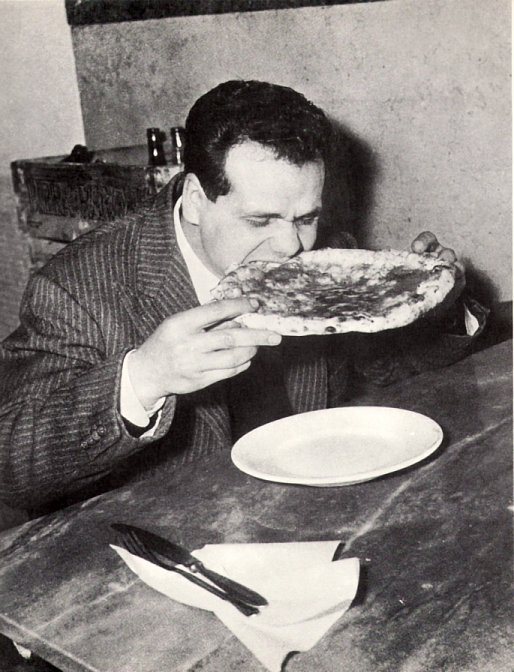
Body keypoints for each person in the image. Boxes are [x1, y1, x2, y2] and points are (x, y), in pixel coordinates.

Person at [0, 80, 486, 516]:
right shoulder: (78, 284)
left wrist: (442, 306)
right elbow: (11, 466)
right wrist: (144, 378)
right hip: (163, 540)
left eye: (305, 217)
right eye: (260, 221)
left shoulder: (322, 266)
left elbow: (386, 367)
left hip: (308, 509)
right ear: (193, 199)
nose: (292, 246)